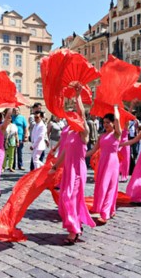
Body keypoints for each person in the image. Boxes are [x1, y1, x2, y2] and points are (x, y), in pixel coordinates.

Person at [50, 83, 95, 244]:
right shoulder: (69, 133)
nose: (73, 120)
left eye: (74, 118)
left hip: (78, 170)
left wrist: (78, 96)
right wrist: (56, 166)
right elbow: (64, 152)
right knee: (65, 199)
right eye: (71, 118)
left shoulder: (83, 134)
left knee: (70, 197)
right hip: (68, 170)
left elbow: (82, 115)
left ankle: (74, 230)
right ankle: (75, 225)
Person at [86, 106, 122, 224]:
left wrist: (116, 107)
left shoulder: (117, 134)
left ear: (113, 123)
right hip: (102, 163)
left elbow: (117, 119)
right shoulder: (101, 136)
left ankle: (105, 213)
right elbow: (92, 151)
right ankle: (108, 209)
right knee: (101, 187)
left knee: (109, 187)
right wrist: (80, 155)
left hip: (112, 163)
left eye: (108, 122)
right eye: (104, 122)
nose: (105, 124)